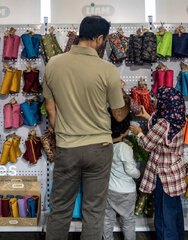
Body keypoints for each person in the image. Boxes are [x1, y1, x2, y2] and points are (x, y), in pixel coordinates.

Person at [43, 16, 129, 240]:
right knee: (94, 211)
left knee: (60, 209)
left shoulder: (53, 64)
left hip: (67, 146)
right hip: (99, 147)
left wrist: (62, 131)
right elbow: (119, 114)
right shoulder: (107, 70)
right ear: (99, 38)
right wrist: (124, 95)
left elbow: (50, 110)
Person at [130, 86, 186, 240]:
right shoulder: (177, 118)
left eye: (157, 98)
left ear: (165, 103)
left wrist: (139, 133)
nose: (155, 101)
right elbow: (161, 130)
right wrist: (147, 116)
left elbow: (148, 144)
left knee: (163, 214)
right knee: (175, 213)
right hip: (175, 173)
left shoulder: (163, 124)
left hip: (163, 175)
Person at [103, 109, 140, 240]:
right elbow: (130, 170)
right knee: (128, 220)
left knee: (107, 219)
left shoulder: (106, 145)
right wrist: (138, 174)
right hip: (126, 191)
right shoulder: (124, 148)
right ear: (125, 130)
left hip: (109, 189)